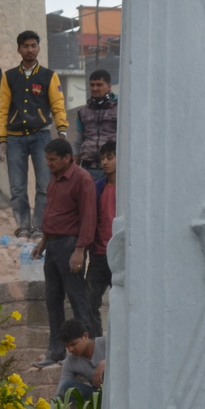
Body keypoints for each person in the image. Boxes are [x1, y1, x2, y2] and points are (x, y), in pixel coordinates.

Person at [0, 30, 69, 236]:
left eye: (33, 46)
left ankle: (39, 226)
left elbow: (58, 104)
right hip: (15, 138)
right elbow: (3, 109)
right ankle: (22, 226)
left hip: (41, 136)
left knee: (44, 185)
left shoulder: (49, 76)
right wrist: (2, 139)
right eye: (26, 46)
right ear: (19, 49)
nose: (30, 50)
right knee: (17, 187)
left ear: (38, 48)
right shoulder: (9, 77)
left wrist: (62, 131)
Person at [32, 138, 96, 366]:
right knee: (53, 298)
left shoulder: (82, 179)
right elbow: (52, 212)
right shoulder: (55, 177)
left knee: (78, 300)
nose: (48, 163)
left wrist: (79, 250)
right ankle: (56, 352)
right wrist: (43, 242)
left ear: (67, 158)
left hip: (70, 245)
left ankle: (87, 353)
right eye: (47, 159)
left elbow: (88, 217)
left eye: (52, 160)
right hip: (52, 245)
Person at [86, 140, 116, 337]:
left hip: (120, 256)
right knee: (88, 303)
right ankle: (97, 345)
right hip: (98, 254)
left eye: (109, 158)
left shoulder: (130, 189)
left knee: (121, 304)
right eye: (102, 158)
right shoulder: (97, 187)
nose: (104, 162)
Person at [73, 71, 119, 178]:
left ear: (109, 86)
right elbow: (78, 144)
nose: (95, 88)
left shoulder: (120, 108)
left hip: (112, 170)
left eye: (99, 85)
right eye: (92, 85)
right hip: (88, 168)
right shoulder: (83, 112)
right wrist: (72, 172)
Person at [55, 318, 105, 404]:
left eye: (73, 344)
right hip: (99, 398)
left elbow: (128, 358)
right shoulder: (70, 361)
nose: (70, 349)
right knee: (67, 388)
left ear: (85, 336)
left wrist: (106, 362)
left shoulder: (106, 343)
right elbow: (59, 393)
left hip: (119, 392)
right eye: (67, 346)